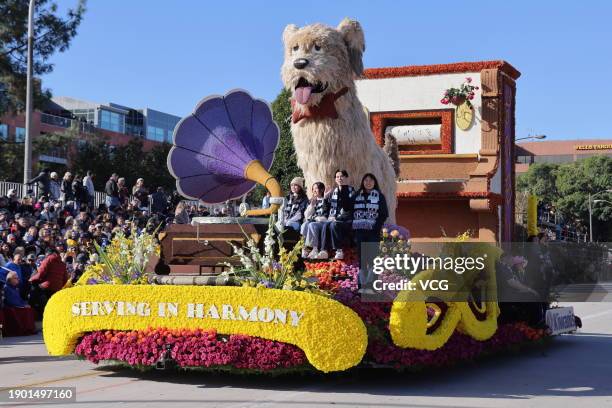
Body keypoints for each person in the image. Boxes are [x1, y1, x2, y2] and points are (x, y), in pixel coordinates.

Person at [352, 173, 388, 287]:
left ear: (374, 182)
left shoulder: (379, 196)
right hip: (360, 231)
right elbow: (348, 207)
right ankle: (361, 284)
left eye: (371, 180)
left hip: (373, 231)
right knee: (362, 256)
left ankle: (372, 283)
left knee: (372, 256)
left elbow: (383, 214)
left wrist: (376, 226)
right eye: (366, 180)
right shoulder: (357, 195)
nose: (368, 182)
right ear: (363, 182)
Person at [321, 170, 355, 260]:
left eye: (342, 176)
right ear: (335, 179)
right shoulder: (333, 192)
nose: (339, 178)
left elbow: (351, 210)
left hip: (346, 220)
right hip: (333, 219)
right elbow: (326, 209)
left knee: (333, 224)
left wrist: (338, 218)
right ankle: (324, 251)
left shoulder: (352, 191)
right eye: (337, 177)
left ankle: (339, 250)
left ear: (346, 178)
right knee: (325, 224)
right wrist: (325, 198)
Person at [301, 182, 329, 258]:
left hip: (322, 221)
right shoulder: (312, 200)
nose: (314, 190)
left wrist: (325, 199)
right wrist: (311, 206)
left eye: (316, 188)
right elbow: (306, 216)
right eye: (313, 189)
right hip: (313, 220)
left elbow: (325, 214)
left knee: (311, 225)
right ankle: (305, 248)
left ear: (322, 189)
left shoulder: (326, 200)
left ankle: (315, 248)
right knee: (304, 224)